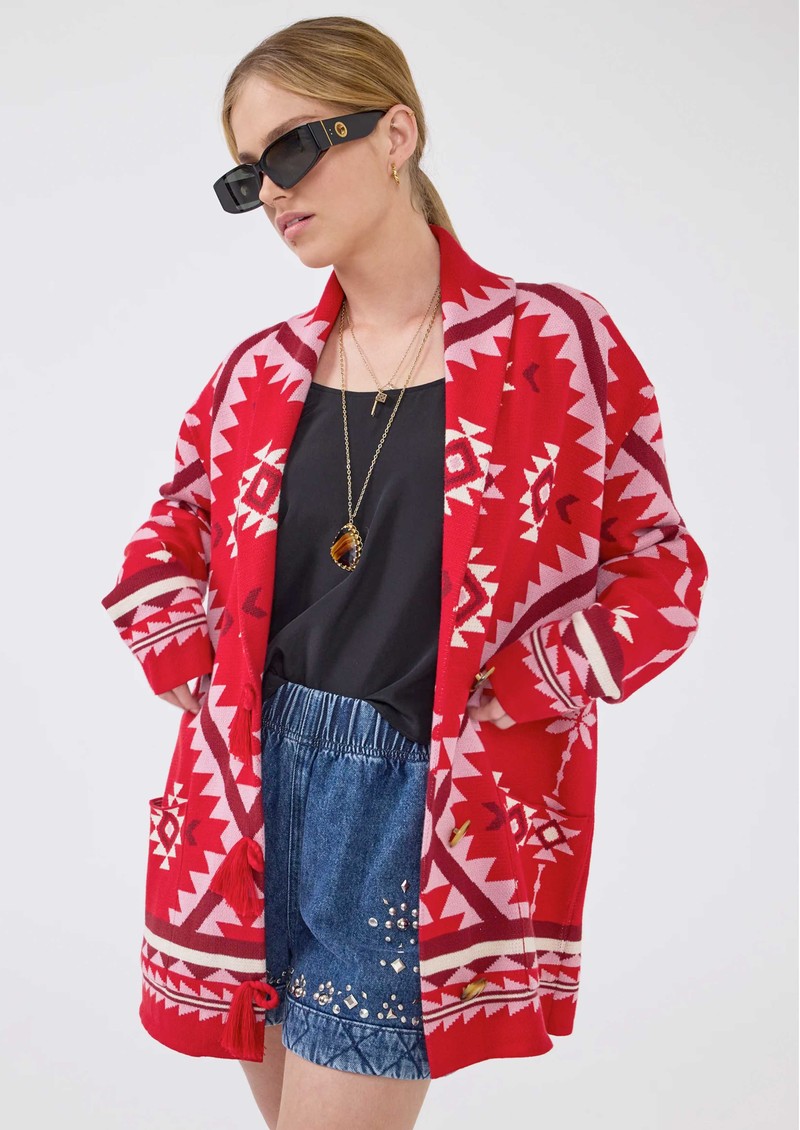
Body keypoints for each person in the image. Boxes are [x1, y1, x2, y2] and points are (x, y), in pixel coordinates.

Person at [100, 15, 708, 1130]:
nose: (273, 191)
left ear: (395, 133)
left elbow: (659, 569)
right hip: (245, 794)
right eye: (246, 174)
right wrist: (179, 646)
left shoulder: (550, 342)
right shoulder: (256, 373)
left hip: (422, 802)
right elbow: (164, 539)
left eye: (293, 147)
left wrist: (535, 680)